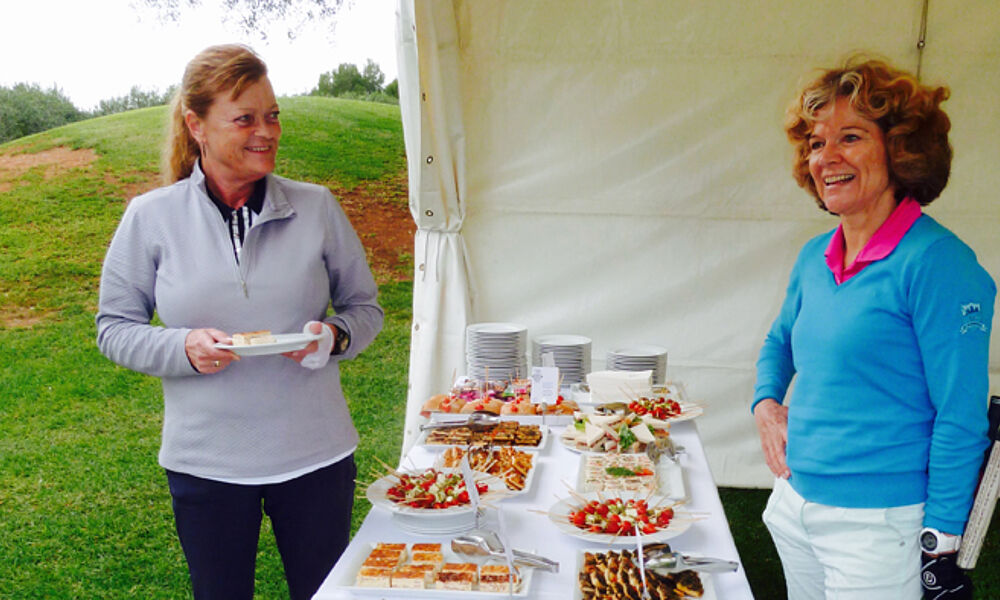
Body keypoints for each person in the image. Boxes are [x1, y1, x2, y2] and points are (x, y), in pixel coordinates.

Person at [96, 44, 384, 600]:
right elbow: (114, 327)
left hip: (316, 456)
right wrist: (182, 348)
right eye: (245, 119)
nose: (266, 132)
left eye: (272, 116)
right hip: (205, 464)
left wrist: (335, 337)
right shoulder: (151, 217)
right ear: (195, 125)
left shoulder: (317, 207)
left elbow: (365, 308)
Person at [752, 57, 995, 600]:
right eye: (816, 143)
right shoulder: (815, 255)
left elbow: (960, 414)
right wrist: (766, 404)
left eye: (851, 137)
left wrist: (941, 541)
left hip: (878, 528)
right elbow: (778, 341)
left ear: (901, 149)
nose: (826, 157)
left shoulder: (938, 262)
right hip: (794, 503)